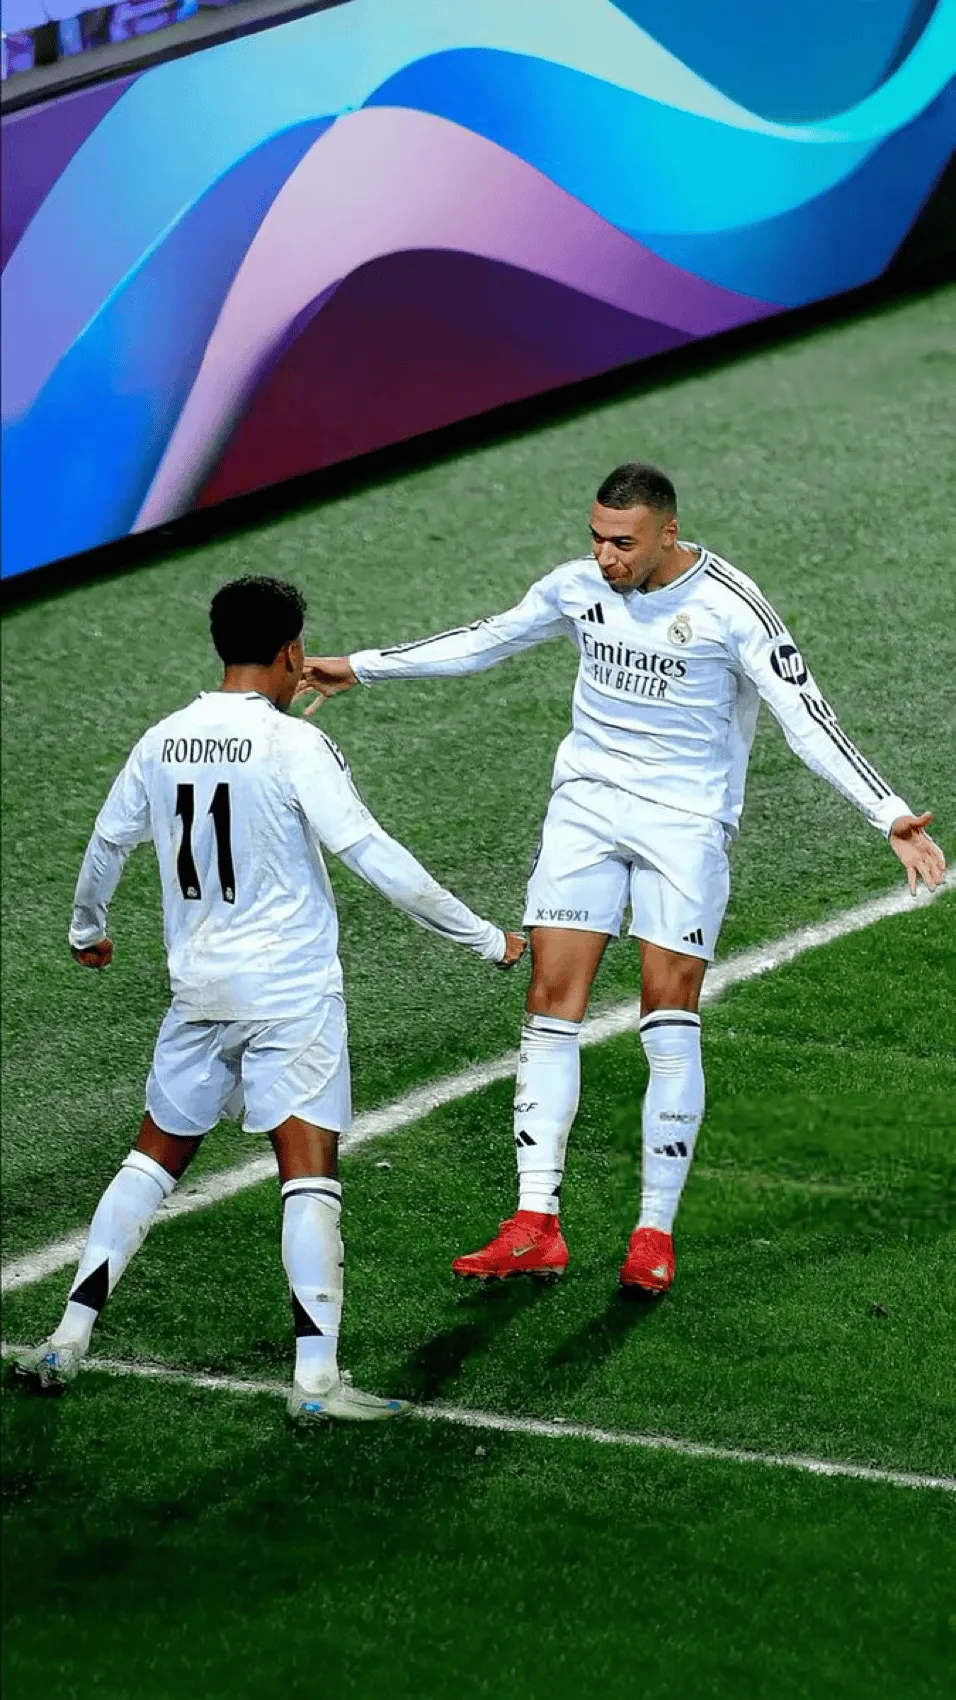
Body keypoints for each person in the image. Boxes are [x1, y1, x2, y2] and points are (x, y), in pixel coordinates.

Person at [296, 463, 946, 1295]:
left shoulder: (732, 608)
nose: (607, 557)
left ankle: (653, 1233)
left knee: (666, 1017)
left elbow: (806, 718)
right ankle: (535, 1223)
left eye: (624, 543)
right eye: (598, 538)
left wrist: (888, 814)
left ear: (669, 533)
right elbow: (486, 639)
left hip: (684, 823)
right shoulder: (578, 586)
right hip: (586, 809)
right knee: (549, 1004)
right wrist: (363, 666)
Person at [13, 576, 525, 1419]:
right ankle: (316, 1383)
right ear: (292, 651)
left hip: (199, 990)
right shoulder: (294, 745)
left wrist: (86, 930)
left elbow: (107, 841)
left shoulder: (163, 739)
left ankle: (67, 1336)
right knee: (308, 1176)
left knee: (152, 1160)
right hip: (290, 995)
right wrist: (484, 936)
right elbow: (372, 853)